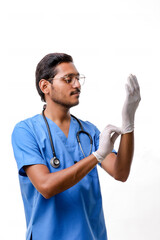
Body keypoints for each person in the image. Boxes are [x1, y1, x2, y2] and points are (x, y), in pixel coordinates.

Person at [11, 53, 141, 240]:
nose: (77, 85)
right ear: (45, 86)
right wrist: (96, 156)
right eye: (68, 79)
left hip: (90, 235)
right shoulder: (26, 131)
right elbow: (46, 186)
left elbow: (120, 173)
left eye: (78, 79)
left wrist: (128, 123)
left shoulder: (89, 131)